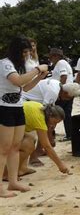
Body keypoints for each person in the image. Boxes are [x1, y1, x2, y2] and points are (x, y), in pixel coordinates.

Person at [0, 36, 49, 198]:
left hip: (17, 107)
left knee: (15, 146)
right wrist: (37, 69)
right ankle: (0, 186)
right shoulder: (5, 63)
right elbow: (17, 81)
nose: (27, 55)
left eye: (29, 51)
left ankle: (13, 181)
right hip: (4, 109)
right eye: (25, 52)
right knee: (4, 149)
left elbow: (25, 87)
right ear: (16, 51)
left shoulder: (20, 66)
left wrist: (40, 77)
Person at [22, 79, 80, 167]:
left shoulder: (57, 85)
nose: (67, 100)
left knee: (43, 128)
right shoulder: (53, 93)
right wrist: (50, 139)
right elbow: (47, 116)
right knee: (32, 135)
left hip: (31, 101)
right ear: (65, 93)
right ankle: (33, 158)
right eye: (69, 98)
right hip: (24, 100)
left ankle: (39, 151)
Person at [14, 101, 69, 177]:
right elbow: (47, 147)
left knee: (31, 139)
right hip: (7, 124)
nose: (54, 125)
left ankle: (22, 168)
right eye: (54, 122)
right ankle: (8, 173)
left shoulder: (40, 107)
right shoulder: (40, 119)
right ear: (50, 116)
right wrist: (60, 165)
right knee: (28, 146)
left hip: (13, 121)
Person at [48, 48, 76, 141]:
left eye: (51, 56)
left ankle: (50, 133)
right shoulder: (64, 63)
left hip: (63, 91)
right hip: (69, 90)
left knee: (54, 113)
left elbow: (63, 76)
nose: (50, 59)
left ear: (56, 56)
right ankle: (70, 134)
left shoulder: (60, 63)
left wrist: (60, 92)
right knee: (67, 114)